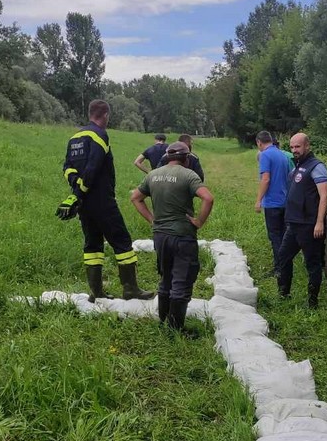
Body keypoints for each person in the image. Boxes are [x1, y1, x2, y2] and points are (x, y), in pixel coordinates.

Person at [56, 99, 154, 301]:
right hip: (102, 200)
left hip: (83, 204)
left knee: (92, 244)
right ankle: (130, 289)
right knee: (122, 241)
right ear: (106, 115)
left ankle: (96, 292)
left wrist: (76, 192)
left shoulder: (74, 138)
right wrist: (81, 190)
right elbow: (93, 167)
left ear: (90, 113)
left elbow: (67, 168)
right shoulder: (100, 135)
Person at [130, 141, 214, 332]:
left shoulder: (153, 174)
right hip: (182, 236)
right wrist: (199, 221)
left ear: (167, 157)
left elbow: (135, 197)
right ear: (186, 159)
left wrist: (152, 220)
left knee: (166, 277)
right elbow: (208, 198)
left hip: (160, 236)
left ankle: (163, 321)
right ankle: (175, 330)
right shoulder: (188, 175)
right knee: (181, 281)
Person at [277, 132, 327, 308]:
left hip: (309, 226)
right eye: (291, 147)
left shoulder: (317, 167)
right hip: (293, 224)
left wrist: (320, 222)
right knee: (283, 257)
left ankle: (313, 303)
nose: (294, 150)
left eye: (297, 146)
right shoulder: (297, 167)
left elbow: (324, 197)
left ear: (307, 146)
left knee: (312, 264)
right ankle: (283, 294)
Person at [254, 130, 291, 277]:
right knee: (282, 236)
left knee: (275, 237)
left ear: (259, 142)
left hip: (272, 203)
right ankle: (285, 265)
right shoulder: (282, 155)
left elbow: (266, 179)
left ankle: (279, 269)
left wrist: (258, 200)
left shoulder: (265, 155)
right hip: (284, 202)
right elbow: (290, 178)